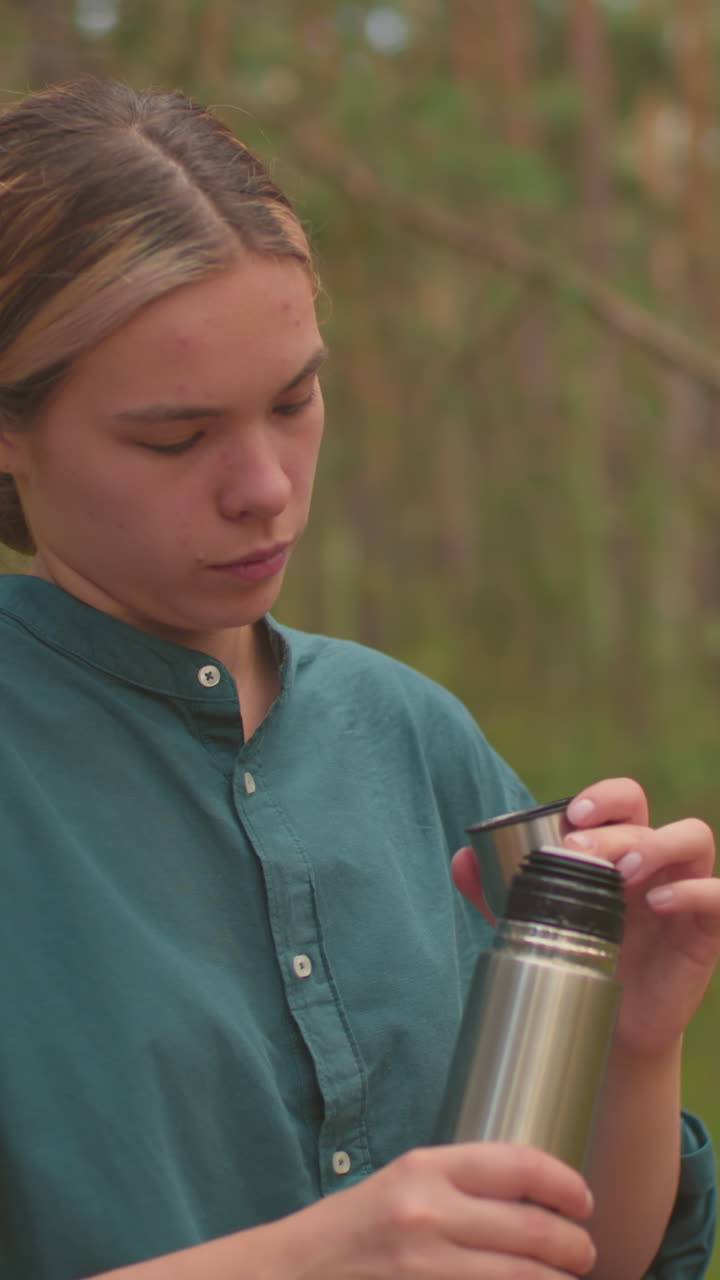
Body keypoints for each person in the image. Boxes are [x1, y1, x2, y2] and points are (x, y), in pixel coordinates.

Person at [0, 77, 717, 1280]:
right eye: (175, 437)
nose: (266, 485)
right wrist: (312, 1259)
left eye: (296, 400)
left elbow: (596, 1250)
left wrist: (635, 1038)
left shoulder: (412, 735)